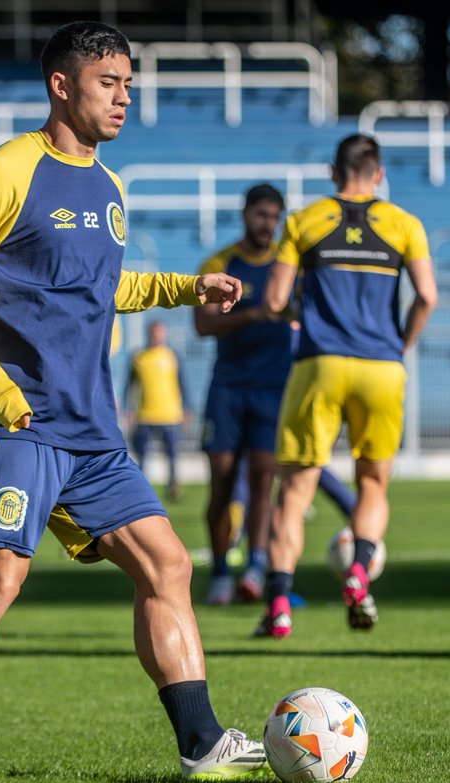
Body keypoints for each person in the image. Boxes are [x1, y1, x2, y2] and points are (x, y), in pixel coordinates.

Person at [0, 21, 267, 783]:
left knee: (167, 565)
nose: (125, 97)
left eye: (130, 83)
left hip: (91, 430)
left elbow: (97, 289)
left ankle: (200, 742)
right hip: (15, 423)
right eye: (109, 82)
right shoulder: (5, 173)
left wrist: (185, 286)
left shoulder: (109, 185)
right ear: (61, 85)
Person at [256, 133, 437, 638]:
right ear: (377, 174)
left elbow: (273, 302)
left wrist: (299, 311)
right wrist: (401, 344)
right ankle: (359, 571)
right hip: (382, 366)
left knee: (293, 492)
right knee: (373, 483)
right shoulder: (405, 224)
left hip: (320, 364)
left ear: (334, 174)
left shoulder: (303, 221)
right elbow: (426, 295)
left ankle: (279, 603)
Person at [194, 183, 291, 605]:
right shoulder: (220, 263)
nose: (267, 224)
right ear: (245, 214)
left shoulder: (288, 266)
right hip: (228, 389)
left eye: (274, 217)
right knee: (222, 483)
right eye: (261, 215)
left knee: (263, 482)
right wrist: (256, 313)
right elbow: (204, 324)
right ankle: (219, 571)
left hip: (273, 390)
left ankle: (254, 566)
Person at [125, 321, 188, 500]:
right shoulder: (138, 356)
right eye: (154, 333)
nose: (157, 336)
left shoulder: (173, 355)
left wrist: (186, 408)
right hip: (145, 414)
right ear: (149, 334)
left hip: (170, 414)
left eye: (160, 332)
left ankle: (173, 486)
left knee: (172, 454)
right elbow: (130, 386)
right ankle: (142, 487)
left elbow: (182, 383)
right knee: (142, 455)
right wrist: (128, 409)